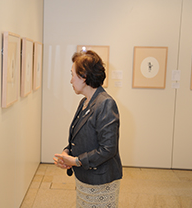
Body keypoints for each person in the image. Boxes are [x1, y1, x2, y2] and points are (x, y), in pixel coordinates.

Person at [54, 50, 123, 207]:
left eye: (72, 75)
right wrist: (67, 153)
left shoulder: (105, 103)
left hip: (100, 181)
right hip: (85, 177)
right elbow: (79, 136)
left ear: (84, 76)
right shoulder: (85, 101)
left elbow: (108, 149)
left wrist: (77, 161)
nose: (71, 81)